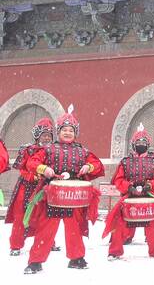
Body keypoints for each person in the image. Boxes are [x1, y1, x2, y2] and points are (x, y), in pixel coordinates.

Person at [24, 105, 104, 274]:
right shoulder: (48, 149)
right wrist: (43, 169)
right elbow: (31, 163)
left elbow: (97, 165)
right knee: (45, 230)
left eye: (71, 130)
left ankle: (76, 258)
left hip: (73, 196)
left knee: (74, 229)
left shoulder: (82, 151)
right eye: (64, 130)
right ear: (58, 131)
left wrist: (88, 167)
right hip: (52, 195)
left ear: (75, 133)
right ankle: (35, 262)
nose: (68, 133)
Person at [103, 124, 154, 260]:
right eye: (138, 142)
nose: (140, 145)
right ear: (133, 144)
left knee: (153, 223)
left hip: (149, 195)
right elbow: (119, 179)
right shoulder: (126, 161)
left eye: (143, 142)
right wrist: (128, 187)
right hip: (129, 195)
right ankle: (115, 250)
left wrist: (150, 185)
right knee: (119, 221)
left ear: (148, 144)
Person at [6, 118, 54, 256]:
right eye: (44, 135)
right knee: (20, 216)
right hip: (26, 187)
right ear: (37, 136)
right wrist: (33, 177)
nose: (46, 138)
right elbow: (22, 168)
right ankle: (15, 245)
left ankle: (48, 242)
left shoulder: (53, 150)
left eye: (48, 135)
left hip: (44, 188)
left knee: (46, 216)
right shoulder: (28, 149)